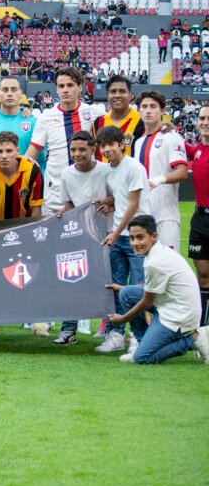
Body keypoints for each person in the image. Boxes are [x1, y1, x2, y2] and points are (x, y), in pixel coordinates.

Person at [106, 215, 209, 365]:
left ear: (154, 236)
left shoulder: (155, 262)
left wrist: (122, 319)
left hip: (178, 316)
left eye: (140, 237)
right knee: (126, 293)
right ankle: (143, 343)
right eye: (132, 238)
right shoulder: (158, 252)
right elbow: (151, 287)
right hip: (171, 305)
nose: (135, 243)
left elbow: (147, 302)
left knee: (142, 358)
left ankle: (193, 339)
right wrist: (123, 288)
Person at [0, 131, 45, 336]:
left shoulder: (32, 170)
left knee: (30, 274)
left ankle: (37, 321)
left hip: (24, 230)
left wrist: (31, 235)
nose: (4, 156)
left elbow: (36, 208)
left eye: (8, 151)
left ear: (17, 151)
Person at [93, 125, 151, 354]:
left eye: (111, 145)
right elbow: (120, 198)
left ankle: (138, 337)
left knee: (136, 289)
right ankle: (116, 334)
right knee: (115, 288)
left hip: (136, 237)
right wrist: (107, 202)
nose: (107, 149)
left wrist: (116, 233)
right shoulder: (108, 171)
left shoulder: (133, 167)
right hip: (117, 236)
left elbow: (133, 204)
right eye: (103, 146)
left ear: (121, 144)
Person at [52, 131, 110, 345]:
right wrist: (63, 211)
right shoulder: (67, 173)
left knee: (108, 282)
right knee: (72, 281)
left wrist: (107, 202)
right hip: (79, 235)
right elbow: (69, 203)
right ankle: (69, 330)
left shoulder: (105, 171)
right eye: (73, 150)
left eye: (82, 149)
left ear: (93, 149)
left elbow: (117, 197)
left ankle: (112, 330)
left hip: (106, 234)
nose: (77, 154)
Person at [26, 67, 106, 214]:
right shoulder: (46, 117)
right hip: (56, 194)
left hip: (89, 192)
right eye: (61, 86)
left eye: (70, 85)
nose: (65, 90)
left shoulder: (94, 113)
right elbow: (31, 154)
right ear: (56, 90)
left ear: (79, 87)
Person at [132, 90, 187, 251]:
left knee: (168, 263)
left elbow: (182, 171)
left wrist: (159, 180)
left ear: (162, 110)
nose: (148, 110)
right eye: (144, 107)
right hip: (143, 216)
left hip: (165, 216)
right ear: (139, 110)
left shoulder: (172, 137)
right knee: (147, 264)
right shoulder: (139, 142)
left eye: (153, 106)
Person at [187, 105, 209, 330]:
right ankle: (203, 328)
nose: (205, 122)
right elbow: (187, 149)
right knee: (202, 274)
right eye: (202, 118)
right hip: (200, 218)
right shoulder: (198, 151)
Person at [94, 75, 143, 161]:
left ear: (130, 96)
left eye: (122, 91)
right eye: (113, 91)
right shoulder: (98, 122)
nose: (117, 95)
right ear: (107, 96)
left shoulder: (142, 121)